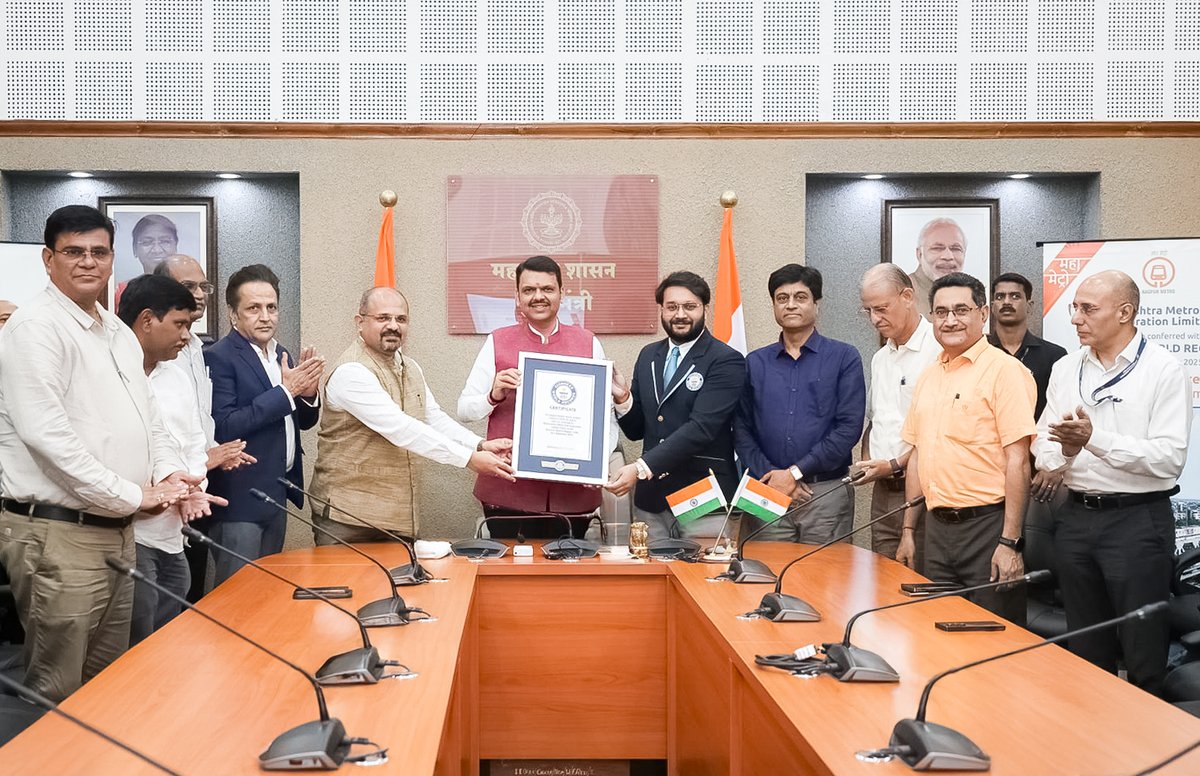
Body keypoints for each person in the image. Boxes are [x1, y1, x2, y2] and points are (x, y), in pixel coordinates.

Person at [0, 205, 209, 701]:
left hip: (118, 531)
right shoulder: (34, 329)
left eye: (98, 252)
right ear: (49, 260)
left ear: (114, 259)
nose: (87, 262)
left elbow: (149, 421)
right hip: (59, 532)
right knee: (58, 688)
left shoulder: (116, 331)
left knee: (109, 682)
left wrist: (172, 475)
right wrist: (134, 494)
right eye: (73, 252)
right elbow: (48, 441)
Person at [1032, 270, 1190, 695]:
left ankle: (1147, 750)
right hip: (1077, 517)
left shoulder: (1163, 370)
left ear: (1125, 313)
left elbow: (1169, 460)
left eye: (1088, 308)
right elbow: (1043, 449)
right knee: (1085, 648)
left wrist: (1093, 440)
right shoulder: (1066, 368)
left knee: (1142, 649)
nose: (1076, 317)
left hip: (1137, 523)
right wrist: (1065, 452)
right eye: (1074, 307)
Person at [311, 287, 515, 544]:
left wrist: (479, 444)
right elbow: (401, 428)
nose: (393, 326)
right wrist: (469, 459)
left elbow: (432, 418)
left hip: (397, 518)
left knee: (398, 585)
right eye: (383, 318)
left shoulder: (411, 367)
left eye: (401, 319)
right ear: (360, 322)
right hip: (348, 520)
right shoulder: (351, 371)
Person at [896, 272, 1036, 623]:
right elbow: (917, 457)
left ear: (983, 313)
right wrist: (909, 531)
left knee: (992, 638)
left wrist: (1010, 543)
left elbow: (1018, 460)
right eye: (941, 312)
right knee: (938, 635)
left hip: (988, 527)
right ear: (931, 318)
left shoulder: (1006, 372)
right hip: (936, 528)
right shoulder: (929, 376)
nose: (951, 320)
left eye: (961, 309)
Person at [458, 255, 624, 539]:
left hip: (572, 495)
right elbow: (465, 410)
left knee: (566, 580)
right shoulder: (497, 341)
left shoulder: (587, 342)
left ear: (562, 293)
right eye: (529, 290)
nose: (538, 297)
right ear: (517, 297)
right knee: (509, 578)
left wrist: (596, 463)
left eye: (547, 289)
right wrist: (493, 394)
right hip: (509, 490)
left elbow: (606, 417)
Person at [117, 275, 233, 643]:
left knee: (171, 629)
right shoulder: (114, 373)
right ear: (147, 320)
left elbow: (192, 441)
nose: (187, 335)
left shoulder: (176, 376)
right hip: (133, 528)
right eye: (180, 324)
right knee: (137, 635)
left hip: (174, 528)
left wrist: (194, 487)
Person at [205, 264, 323, 586]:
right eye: (254, 308)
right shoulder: (219, 356)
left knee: (265, 594)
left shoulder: (280, 353)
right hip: (239, 499)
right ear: (233, 314)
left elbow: (302, 422)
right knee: (235, 597)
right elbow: (224, 426)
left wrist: (308, 395)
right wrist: (287, 392)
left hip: (275, 493)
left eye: (271, 307)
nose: (265, 316)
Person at [606, 271, 746, 539]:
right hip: (653, 500)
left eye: (689, 306)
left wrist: (639, 469)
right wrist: (623, 398)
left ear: (705, 308)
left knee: (704, 578)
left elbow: (702, 428)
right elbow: (638, 430)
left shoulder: (726, 360)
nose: (680, 314)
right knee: (654, 577)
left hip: (703, 496)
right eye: (671, 307)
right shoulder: (649, 355)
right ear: (661, 310)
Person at [734, 264, 865, 543]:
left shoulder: (844, 357)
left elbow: (848, 428)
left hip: (825, 494)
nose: (790, 305)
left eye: (800, 297)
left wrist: (795, 472)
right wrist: (771, 477)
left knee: (826, 582)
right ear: (773, 305)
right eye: (782, 298)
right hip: (766, 490)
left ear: (816, 304)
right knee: (761, 579)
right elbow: (741, 428)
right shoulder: (755, 363)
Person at [153, 254, 252, 599]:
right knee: (165, 604)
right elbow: (158, 427)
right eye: (188, 286)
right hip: (167, 492)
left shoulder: (196, 347)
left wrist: (214, 455)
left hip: (199, 485)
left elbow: (199, 419)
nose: (199, 294)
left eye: (203, 286)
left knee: (190, 595)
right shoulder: (152, 352)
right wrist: (202, 459)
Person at [851, 263, 942, 569]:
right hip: (883, 491)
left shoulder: (939, 349)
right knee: (883, 582)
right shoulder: (880, 359)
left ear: (907, 296)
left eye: (881, 308)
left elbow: (938, 431)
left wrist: (892, 465)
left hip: (926, 492)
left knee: (920, 585)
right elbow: (877, 420)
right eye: (868, 311)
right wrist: (866, 461)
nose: (875, 319)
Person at [988, 272, 1068, 421]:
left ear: (1029, 306)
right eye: (1000, 297)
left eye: (1015, 296)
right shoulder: (978, 351)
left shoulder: (1054, 355)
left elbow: (1059, 410)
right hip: (986, 441)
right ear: (992, 307)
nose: (1006, 302)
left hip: (1038, 440)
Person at [909, 218, 967, 317]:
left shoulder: (970, 294)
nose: (948, 256)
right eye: (937, 248)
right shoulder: (901, 294)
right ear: (919, 254)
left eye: (956, 249)